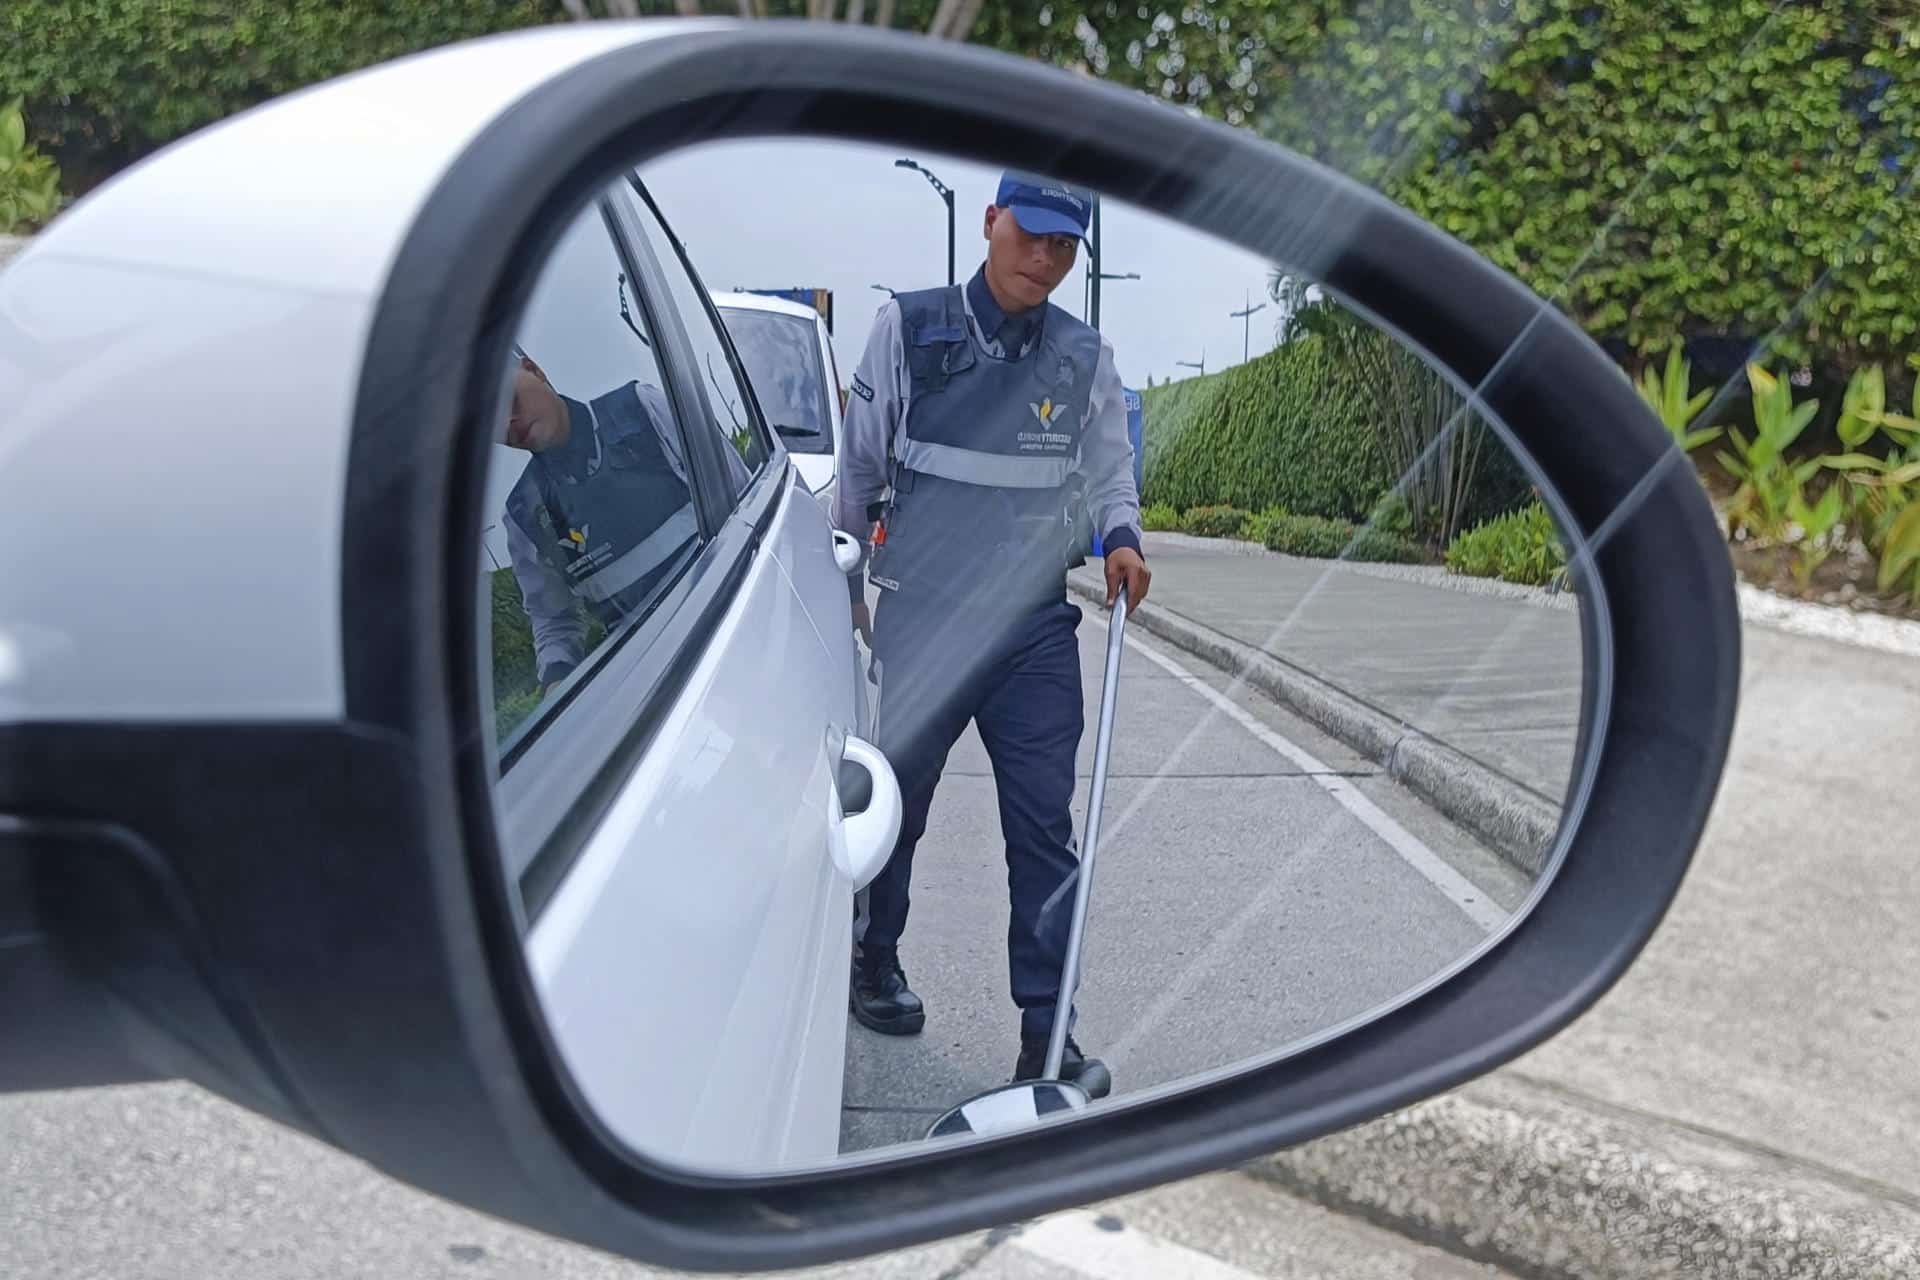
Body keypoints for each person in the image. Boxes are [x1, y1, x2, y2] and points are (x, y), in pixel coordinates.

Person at [832, 171, 1152, 1098]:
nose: (1045, 259)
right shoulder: (909, 331)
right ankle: (874, 959)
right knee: (898, 808)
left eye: (1065, 246)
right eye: (1033, 235)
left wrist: (1123, 539)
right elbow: (858, 468)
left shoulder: (1083, 356)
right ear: (991, 222)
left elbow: (1108, 471)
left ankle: (1048, 1038)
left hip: (1031, 630)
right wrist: (851, 586)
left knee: (1043, 831)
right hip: (925, 616)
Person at [499, 350, 706, 691]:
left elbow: (738, 495)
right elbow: (554, 622)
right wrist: (556, 680)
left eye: (509, 401)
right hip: (646, 678)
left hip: (718, 618)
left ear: (534, 370)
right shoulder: (523, 515)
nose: (509, 424)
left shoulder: (644, 408)